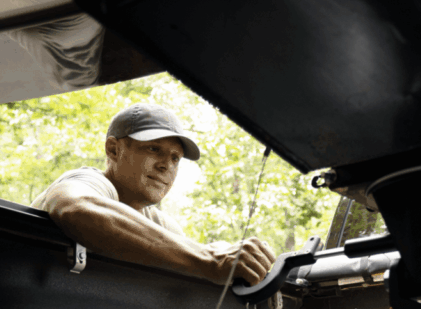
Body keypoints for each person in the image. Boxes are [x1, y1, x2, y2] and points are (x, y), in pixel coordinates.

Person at [31, 103, 276, 285]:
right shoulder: (90, 182)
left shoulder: (160, 223)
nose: (166, 165)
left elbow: (195, 261)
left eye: (175, 158)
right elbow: (76, 208)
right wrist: (208, 258)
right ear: (113, 149)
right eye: (153, 149)